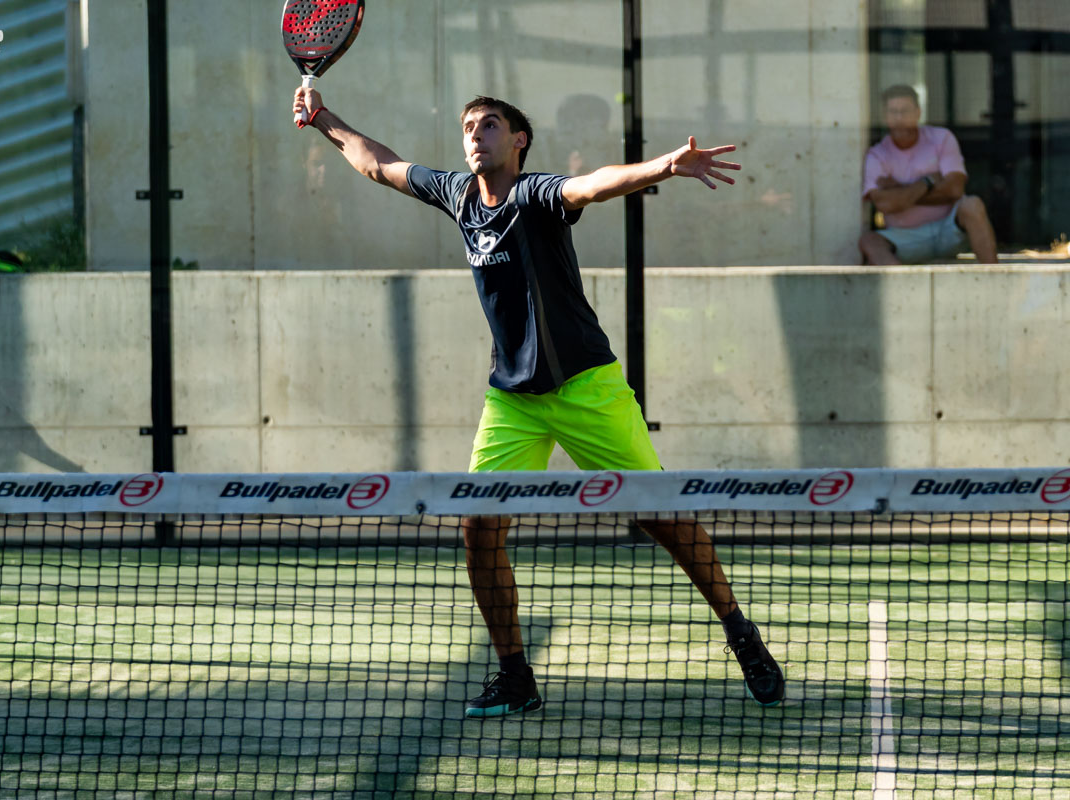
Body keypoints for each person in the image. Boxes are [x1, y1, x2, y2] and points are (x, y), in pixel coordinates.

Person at [293, 87, 786, 717]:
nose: (476, 135)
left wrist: (665, 165)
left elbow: (592, 186)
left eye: (490, 125)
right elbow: (377, 164)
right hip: (514, 401)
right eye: (469, 127)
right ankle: (515, 676)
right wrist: (322, 118)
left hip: (586, 386)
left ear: (518, 140)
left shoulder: (536, 195)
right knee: (478, 528)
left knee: (661, 514)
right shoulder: (457, 196)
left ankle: (740, 632)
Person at [859, 84, 998, 265]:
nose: (899, 118)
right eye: (893, 112)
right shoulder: (877, 155)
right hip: (905, 238)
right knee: (869, 241)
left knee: (972, 205)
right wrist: (927, 182)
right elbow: (884, 204)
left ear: (918, 113)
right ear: (884, 116)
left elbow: (955, 190)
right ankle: (902, 283)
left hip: (949, 230)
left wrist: (899, 191)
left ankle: (994, 276)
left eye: (905, 111)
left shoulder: (941, 138)